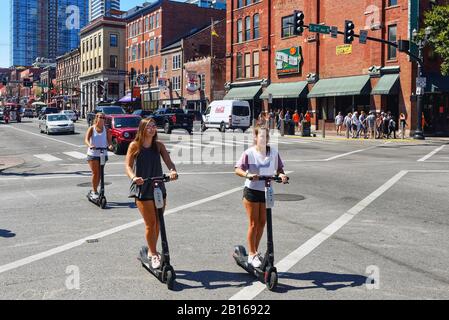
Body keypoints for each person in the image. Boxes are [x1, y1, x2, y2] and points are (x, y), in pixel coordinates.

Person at [125, 118, 178, 269]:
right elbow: (128, 166)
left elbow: (168, 161)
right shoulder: (135, 145)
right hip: (143, 188)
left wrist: (172, 170)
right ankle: (153, 254)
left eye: (154, 126)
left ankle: (152, 250)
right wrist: (134, 177)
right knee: (151, 223)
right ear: (142, 129)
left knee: (158, 222)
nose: (152, 129)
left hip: (159, 187)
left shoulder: (158, 145)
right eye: (149, 126)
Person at [234, 124, 289, 268]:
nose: (264, 139)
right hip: (252, 190)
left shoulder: (273, 152)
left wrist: (282, 175)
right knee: (253, 223)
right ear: (256, 137)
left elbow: (280, 169)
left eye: (267, 136)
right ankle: (251, 254)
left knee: (262, 223)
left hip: (267, 191)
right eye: (262, 136)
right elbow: (238, 169)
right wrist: (248, 174)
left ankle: (254, 252)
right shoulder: (250, 153)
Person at [84, 112, 113, 200]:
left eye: (104, 118)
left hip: (103, 153)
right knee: (95, 173)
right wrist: (90, 145)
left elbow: (109, 141)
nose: (102, 119)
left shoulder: (106, 129)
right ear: (97, 118)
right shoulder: (92, 128)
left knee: (100, 174)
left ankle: (98, 190)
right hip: (93, 154)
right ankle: (94, 191)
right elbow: (86, 139)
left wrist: (110, 145)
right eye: (100, 117)